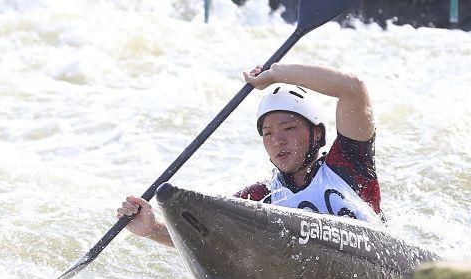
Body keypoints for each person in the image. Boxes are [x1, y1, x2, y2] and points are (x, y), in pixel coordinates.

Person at [117, 63, 381, 247]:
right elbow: (207, 236)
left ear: (318, 135)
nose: (277, 140)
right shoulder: (260, 200)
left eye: (289, 128)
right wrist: (153, 230)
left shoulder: (348, 163)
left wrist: (278, 74)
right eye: (267, 133)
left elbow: (353, 89)